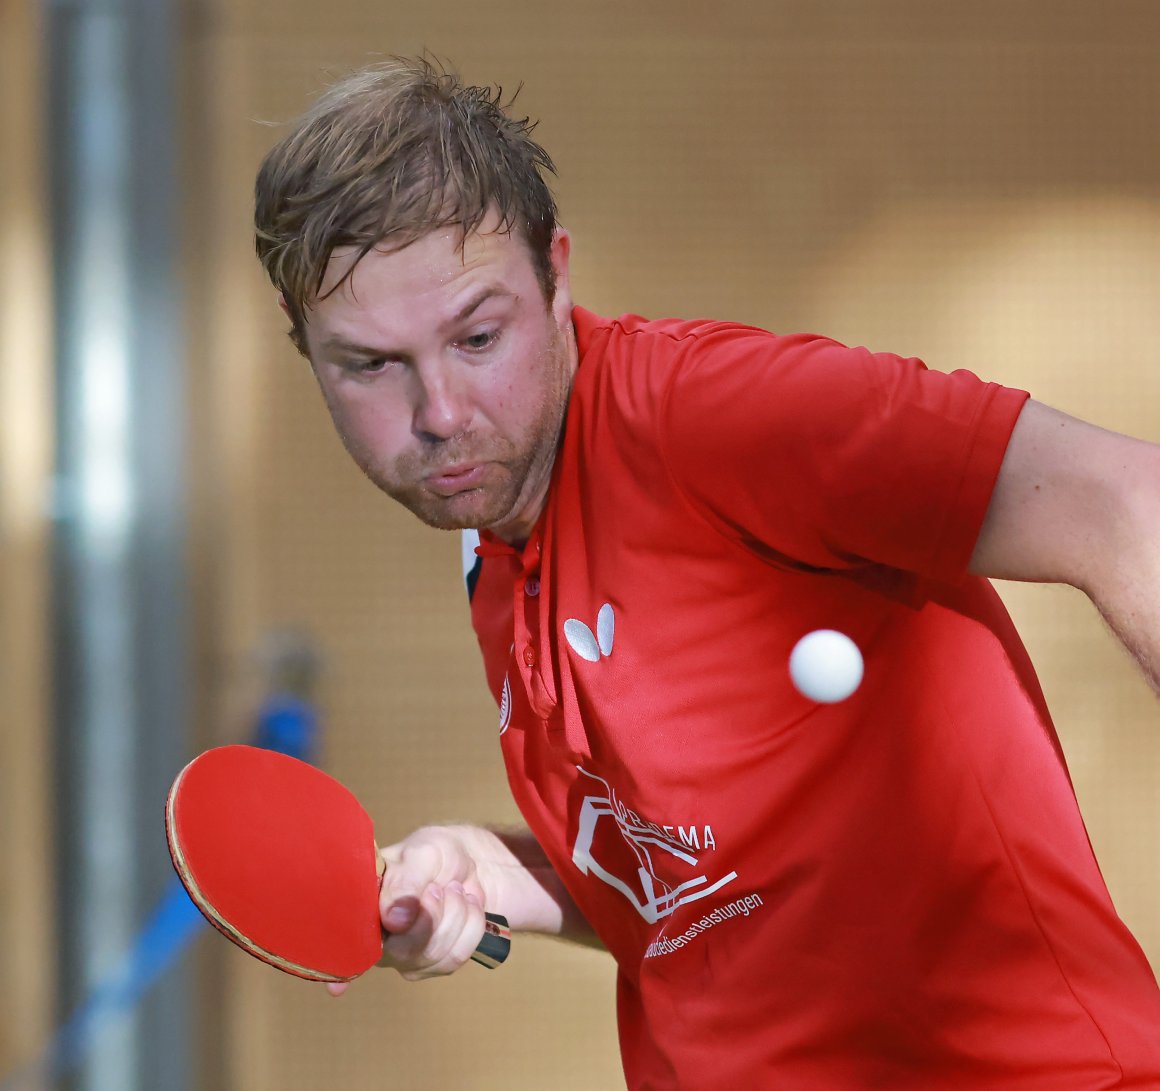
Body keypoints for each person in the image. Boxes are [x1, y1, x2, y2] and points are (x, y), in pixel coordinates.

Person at [252, 56, 1160, 1088]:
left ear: (556, 277)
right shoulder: (497, 543)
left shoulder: (719, 415)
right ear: (309, 354)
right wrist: (487, 870)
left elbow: (1127, 501)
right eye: (370, 363)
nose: (440, 412)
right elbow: (703, 895)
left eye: (476, 336)